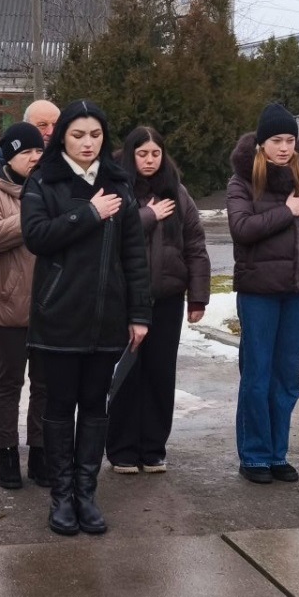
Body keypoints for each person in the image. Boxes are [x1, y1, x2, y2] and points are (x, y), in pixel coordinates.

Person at [22, 100, 150, 536]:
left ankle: (86, 494)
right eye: (78, 135)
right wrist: (88, 213)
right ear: (62, 137)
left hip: (107, 319)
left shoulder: (119, 183)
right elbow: (36, 236)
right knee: (59, 407)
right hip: (58, 317)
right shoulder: (44, 180)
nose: (87, 143)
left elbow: (134, 255)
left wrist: (139, 314)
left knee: (95, 407)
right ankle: (61, 497)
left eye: (95, 135)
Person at [226, 104, 299, 483]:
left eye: (290, 140)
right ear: (261, 144)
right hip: (258, 295)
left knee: (288, 378)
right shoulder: (242, 182)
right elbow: (242, 228)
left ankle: (278, 454)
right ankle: (255, 456)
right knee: (257, 376)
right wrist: (288, 210)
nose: (284, 147)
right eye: (276, 140)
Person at [109, 126, 211, 475]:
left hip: (168, 299)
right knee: (127, 374)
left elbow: (195, 245)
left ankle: (153, 448)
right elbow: (110, 234)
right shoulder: (117, 189)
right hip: (125, 299)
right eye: (142, 154)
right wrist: (148, 216)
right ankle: (121, 449)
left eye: (156, 154)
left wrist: (198, 296)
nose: (150, 160)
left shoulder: (177, 192)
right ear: (130, 155)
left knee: (160, 373)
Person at [0, 121, 49, 489]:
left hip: (49, 304)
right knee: (8, 383)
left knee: (45, 384)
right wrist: (33, 217)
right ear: (10, 157)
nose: (35, 157)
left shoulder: (51, 187)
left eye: (39, 151)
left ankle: (39, 452)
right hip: (7, 306)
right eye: (27, 152)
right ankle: (7, 453)